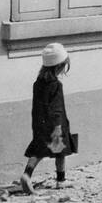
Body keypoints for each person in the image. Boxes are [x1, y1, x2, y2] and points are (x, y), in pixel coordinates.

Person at [20, 42, 74, 194]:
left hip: (39, 122)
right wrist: (58, 126)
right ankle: (61, 180)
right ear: (58, 66)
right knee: (61, 152)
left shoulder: (38, 83)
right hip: (55, 125)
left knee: (38, 150)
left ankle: (27, 174)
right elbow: (56, 108)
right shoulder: (56, 85)